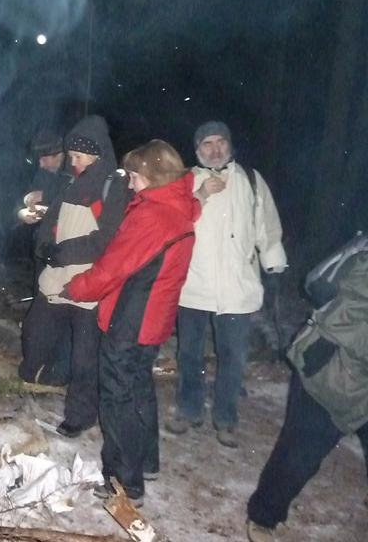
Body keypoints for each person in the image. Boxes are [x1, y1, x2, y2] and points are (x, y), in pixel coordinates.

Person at [64, 139, 200, 506]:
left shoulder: (152, 216)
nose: (130, 182)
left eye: (136, 176)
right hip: (154, 319)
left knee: (117, 396)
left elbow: (112, 268)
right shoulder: (180, 209)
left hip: (131, 318)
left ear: (155, 177)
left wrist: (76, 287)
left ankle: (125, 482)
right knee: (139, 388)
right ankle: (147, 461)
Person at [167, 121, 287, 448]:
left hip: (237, 287)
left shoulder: (250, 179)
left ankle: (226, 418)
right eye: (207, 143)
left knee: (233, 357)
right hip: (193, 284)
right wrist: (201, 195)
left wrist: (273, 260)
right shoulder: (185, 180)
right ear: (197, 150)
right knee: (189, 353)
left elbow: (267, 225)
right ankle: (189, 409)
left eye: (221, 142)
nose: (215, 149)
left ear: (230, 145)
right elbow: (172, 221)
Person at [246, 248, 368, 542]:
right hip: (331, 372)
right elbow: (345, 315)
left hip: (355, 375)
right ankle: (263, 516)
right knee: (299, 454)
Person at [19, 115, 129, 439]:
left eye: (79, 156)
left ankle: (80, 415)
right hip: (57, 277)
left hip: (89, 285)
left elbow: (105, 239)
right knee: (35, 332)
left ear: (96, 154)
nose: (73, 162)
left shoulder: (113, 187)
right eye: (71, 156)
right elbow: (51, 221)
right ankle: (36, 376)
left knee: (84, 357)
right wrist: (44, 247)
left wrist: (63, 252)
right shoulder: (70, 183)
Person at [18, 129, 72, 286]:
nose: (41, 164)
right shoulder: (43, 173)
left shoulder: (74, 172)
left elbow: (74, 195)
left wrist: (46, 194)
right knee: (41, 285)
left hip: (66, 245)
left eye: (44, 159)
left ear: (59, 156)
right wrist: (21, 213)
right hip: (43, 241)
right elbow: (23, 201)